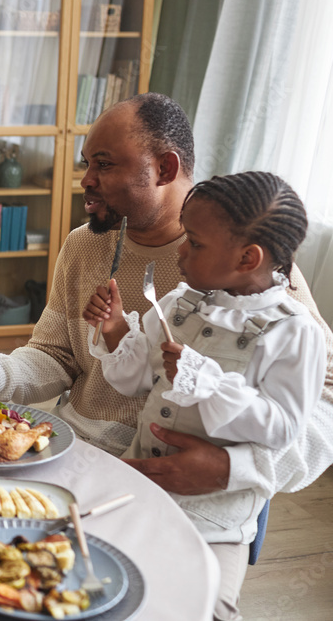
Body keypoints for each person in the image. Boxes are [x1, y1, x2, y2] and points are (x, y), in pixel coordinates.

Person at [0, 93, 333, 621]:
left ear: (164, 167)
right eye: (87, 164)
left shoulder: (255, 274)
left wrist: (233, 467)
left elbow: (324, 401)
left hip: (201, 505)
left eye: (104, 164)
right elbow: (54, 354)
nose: (85, 179)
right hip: (76, 465)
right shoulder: (83, 246)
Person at [83, 171, 324, 561]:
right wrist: (113, 330)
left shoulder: (294, 333)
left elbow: (282, 428)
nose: (179, 253)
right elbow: (139, 380)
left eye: (193, 243)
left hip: (213, 523)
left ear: (248, 258)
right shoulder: (180, 306)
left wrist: (209, 384)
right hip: (137, 488)